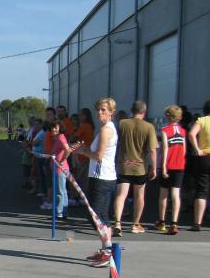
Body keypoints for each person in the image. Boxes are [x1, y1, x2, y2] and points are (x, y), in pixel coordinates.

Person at [75, 98, 118, 267]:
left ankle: (108, 251)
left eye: (103, 110)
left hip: (102, 178)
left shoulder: (107, 130)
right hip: (102, 177)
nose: (100, 112)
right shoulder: (105, 129)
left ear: (111, 112)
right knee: (101, 216)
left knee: (95, 216)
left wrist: (83, 151)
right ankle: (106, 249)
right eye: (98, 109)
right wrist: (85, 149)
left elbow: (99, 156)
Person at [113, 100, 158, 235]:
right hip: (140, 167)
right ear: (144, 111)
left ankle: (117, 223)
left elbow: (116, 143)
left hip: (124, 165)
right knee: (139, 196)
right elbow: (152, 150)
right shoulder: (149, 127)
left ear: (131, 111)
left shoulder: (122, 123)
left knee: (121, 195)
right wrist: (154, 168)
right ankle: (135, 224)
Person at [187, 98, 210, 231]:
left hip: (204, 158)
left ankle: (197, 223)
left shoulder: (202, 120)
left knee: (202, 191)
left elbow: (191, 134)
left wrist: (197, 149)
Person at [156, 105, 187, 234]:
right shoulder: (183, 131)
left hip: (168, 165)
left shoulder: (165, 130)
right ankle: (174, 223)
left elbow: (165, 148)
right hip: (180, 165)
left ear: (168, 116)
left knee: (163, 194)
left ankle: (162, 221)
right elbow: (184, 150)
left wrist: (163, 166)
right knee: (176, 193)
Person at [50, 117, 80, 219]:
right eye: (52, 128)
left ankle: (59, 213)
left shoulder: (60, 138)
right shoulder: (58, 138)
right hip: (58, 168)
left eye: (55, 127)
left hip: (60, 169)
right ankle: (64, 212)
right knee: (63, 190)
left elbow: (68, 150)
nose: (53, 129)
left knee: (60, 191)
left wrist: (62, 160)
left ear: (60, 128)